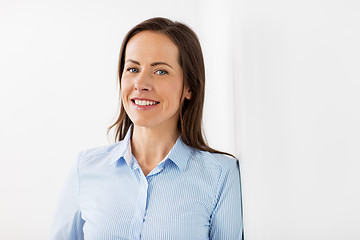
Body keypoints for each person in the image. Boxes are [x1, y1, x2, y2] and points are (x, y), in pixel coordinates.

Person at [50, 17, 243, 240]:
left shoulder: (221, 175)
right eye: (132, 69)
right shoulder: (85, 168)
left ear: (189, 86)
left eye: (160, 71)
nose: (140, 84)